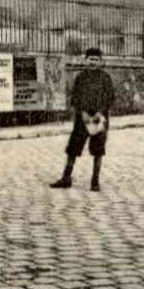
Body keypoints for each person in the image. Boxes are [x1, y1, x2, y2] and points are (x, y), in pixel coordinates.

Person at [50, 47, 117, 192]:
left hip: (99, 118)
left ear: (100, 61)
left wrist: (99, 113)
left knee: (98, 150)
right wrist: (83, 112)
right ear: (85, 60)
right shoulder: (81, 77)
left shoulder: (105, 78)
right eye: (91, 59)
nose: (93, 62)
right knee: (73, 148)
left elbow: (110, 98)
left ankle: (95, 181)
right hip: (83, 118)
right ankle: (66, 178)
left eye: (96, 60)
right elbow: (75, 97)